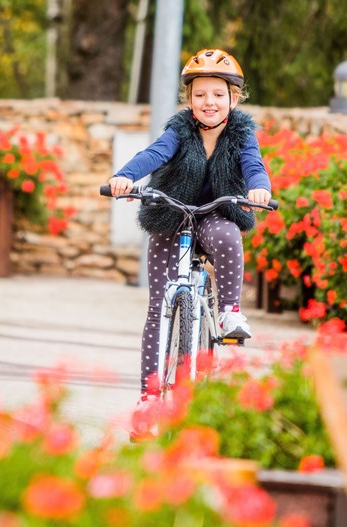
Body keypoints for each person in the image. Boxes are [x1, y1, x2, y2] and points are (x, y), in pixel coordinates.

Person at [107, 48, 271, 412]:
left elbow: (254, 166)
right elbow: (153, 154)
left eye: (217, 94)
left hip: (216, 211)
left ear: (233, 97)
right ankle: (149, 398)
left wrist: (260, 188)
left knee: (227, 234)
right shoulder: (179, 130)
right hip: (172, 214)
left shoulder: (242, 134)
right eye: (199, 94)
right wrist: (124, 177)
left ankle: (229, 311)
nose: (208, 102)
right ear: (189, 99)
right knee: (157, 309)